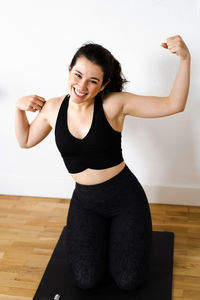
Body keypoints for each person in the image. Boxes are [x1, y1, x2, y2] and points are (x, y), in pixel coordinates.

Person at [15, 35, 190, 291]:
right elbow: (26, 140)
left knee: (129, 281)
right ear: (69, 71)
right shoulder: (52, 108)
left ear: (103, 85)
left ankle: (125, 235)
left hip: (125, 201)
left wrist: (185, 59)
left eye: (92, 81)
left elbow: (174, 105)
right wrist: (19, 109)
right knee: (84, 280)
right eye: (77, 75)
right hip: (86, 203)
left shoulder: (114, 104)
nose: (82, 86)